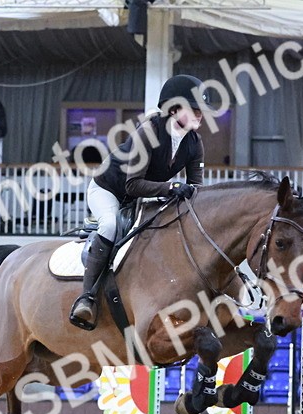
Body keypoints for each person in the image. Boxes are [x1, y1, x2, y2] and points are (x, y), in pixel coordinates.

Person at [68, 74, 211, 331]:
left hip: (141, 197)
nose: (201, 115)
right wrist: (171, 187)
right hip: (108, 190)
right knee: (110, 226)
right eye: (195, 109)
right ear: (175, 108)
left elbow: (196, 187)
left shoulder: (194, 142)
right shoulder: (149, 132)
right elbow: (131, 185)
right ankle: (86, 297)